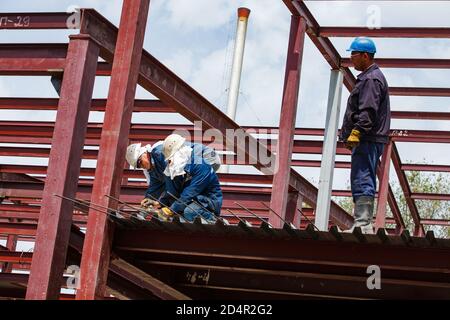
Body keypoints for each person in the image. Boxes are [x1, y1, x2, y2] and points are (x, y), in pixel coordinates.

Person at [339, 37, 391, 234]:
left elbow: (368, 111)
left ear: (365, 56)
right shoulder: (370, 77)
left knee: (363, 177)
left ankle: (363, 224)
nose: (351, 58)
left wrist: (356, 132)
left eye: (353, 54)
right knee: (362, 176)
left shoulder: (371, 79)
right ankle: (362, 223)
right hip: (368, 138)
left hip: (367, 137)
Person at [125, 135, 222, 222]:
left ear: (144, 153)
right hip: (189, 166)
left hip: (209, 157)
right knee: (178, 202)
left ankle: (211, 218)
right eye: (138, 166)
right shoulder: (164, 164)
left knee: (187, 205)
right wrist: (154, 201)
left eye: (140, 162)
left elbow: (189, 191)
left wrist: (171, 209)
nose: (141, 166)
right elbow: (163, 186)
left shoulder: (162, 155)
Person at [161, 134, 223, 222]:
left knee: (190, 212)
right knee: (174, 215)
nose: (171, 162)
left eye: (172, 158)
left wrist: (172, 209)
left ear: (181, 152)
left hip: (207, 201)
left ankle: (212, 220)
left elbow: (191, 191)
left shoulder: (201, 165)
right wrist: (160, 203)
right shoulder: (175, 169)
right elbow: (171, 191)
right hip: (189, 201)